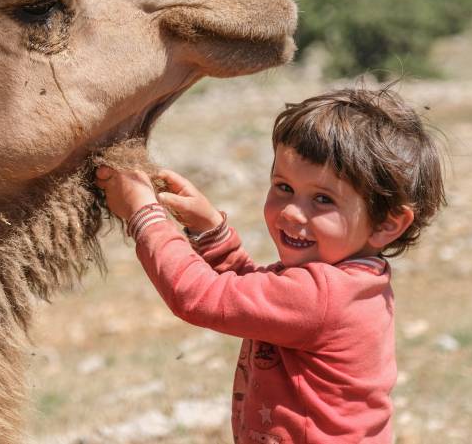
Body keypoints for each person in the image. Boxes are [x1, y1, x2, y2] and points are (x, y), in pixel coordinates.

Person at [96, 86, 446, 444]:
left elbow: (197, 295)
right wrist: (210, 232)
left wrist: (145, 214)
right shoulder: (349, 283)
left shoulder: (323, 297)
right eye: (283, 187)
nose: (292, 212)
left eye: (322, 199)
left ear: (387, 223)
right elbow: (253, 295)